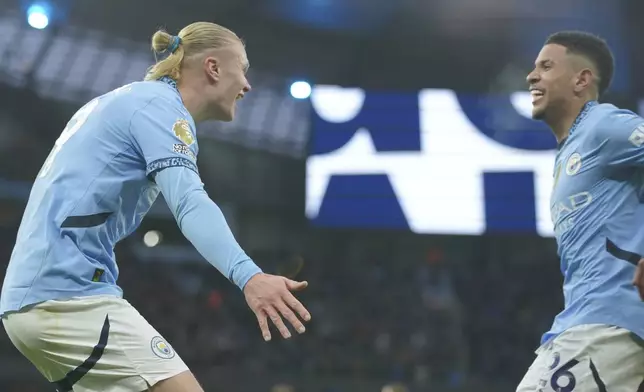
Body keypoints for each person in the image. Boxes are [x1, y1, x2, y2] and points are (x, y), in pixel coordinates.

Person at [0, 21, 311, 392]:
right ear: (213, 67)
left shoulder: (128, 100)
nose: (247, 85)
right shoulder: (161, 109)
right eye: (242, 69)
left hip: (33, 298)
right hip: (66, 297)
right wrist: (250, 276)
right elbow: (190, 203)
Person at [516, 30, 644, 391]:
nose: (532, 75)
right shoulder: (569, 153)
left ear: (581, 79)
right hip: (607, 327)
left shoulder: (603, 126)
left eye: (546, 66)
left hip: (605, 326)